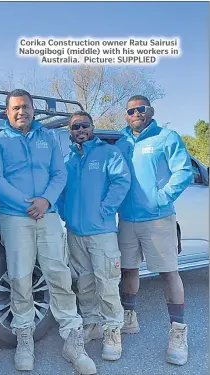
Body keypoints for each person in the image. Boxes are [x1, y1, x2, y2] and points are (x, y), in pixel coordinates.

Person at [0, 89, 96, 375]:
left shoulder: (48, 138)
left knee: (58, 274)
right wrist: (26, 204)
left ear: (34, 110)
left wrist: (45, 200)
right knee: (20, 277)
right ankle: (24, 339)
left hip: (48, 214)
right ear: (7, 112)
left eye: (27, 107)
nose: (22, 112)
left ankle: (72, 340)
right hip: (15, 216)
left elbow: (60, 173)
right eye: (16, 108)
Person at [115, 95, 193, 365]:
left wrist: (161, 198)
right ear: (126, 115)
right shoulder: (122, 141)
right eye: (130, 111)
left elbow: (183, 172)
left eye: (140, 109)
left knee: (169, 273)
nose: (135, 113)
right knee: (128, 270)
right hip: (126, 219)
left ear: (150, 111)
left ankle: (178, 332)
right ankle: (129, 318)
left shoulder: (166, 137)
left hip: (158, 219)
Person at [57, 111, 130, 362]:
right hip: (75, 232)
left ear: (92, 127)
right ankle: (92, 324)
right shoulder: (68, 160)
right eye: (75, 126)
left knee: (107, 282)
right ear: (70, 131)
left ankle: (112, 331)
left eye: (84, 125)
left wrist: (105, 211)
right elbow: (61, 191)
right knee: (84, 283)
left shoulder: (108, 153)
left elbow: (121, 182)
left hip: (102, 232)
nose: (80, 129)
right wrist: (66, 214)